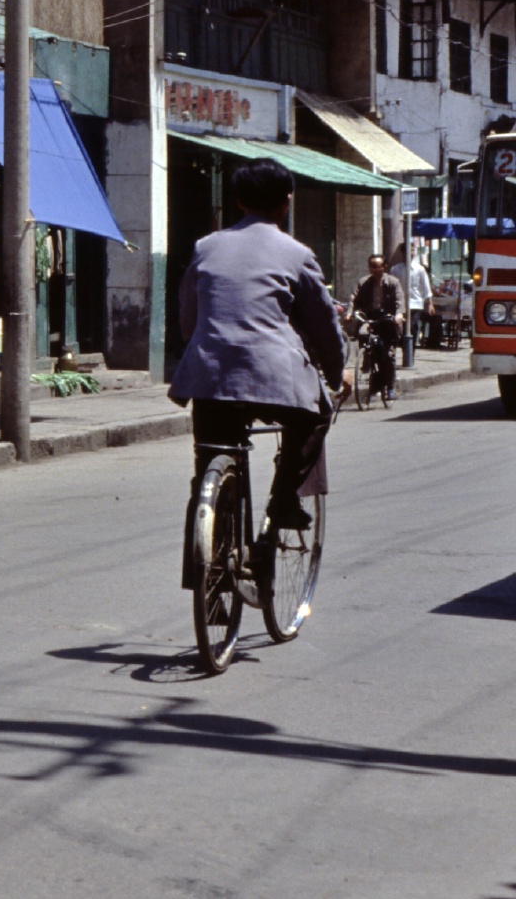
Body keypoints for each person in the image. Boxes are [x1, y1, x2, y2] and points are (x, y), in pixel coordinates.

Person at [169, 160, 347, 585]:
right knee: (317, 413)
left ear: (238, 202)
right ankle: (284, 500)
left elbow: (188, 316)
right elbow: (324, 326)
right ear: (287, 203)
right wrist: (337, 375)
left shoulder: (205, 247)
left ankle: (208, 573)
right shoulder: (297, 253)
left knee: (208, 464)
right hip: (274, 376)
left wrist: (202, 351)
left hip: (208, 376)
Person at [351, 251, 405, 396]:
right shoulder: (364, 282)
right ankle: (366, 359)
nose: (374, 269)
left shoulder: (393, 282)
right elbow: (354, 299)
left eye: (377, 266)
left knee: (388, 355)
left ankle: (390, 386)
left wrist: (399, 314)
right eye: (371, 266)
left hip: (387, 320)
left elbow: (399, 301)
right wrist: (350, 312)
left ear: (384, 267)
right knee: (363, 332)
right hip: (370, 318)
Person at [405, 247, 433, 347]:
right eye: (409, 250)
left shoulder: (419, 269)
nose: (411, 253)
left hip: (415, 304)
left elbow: (426, 287)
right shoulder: (396, 269)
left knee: (413, 327)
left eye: (413, 251)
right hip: (401, 305)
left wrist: (430, 303)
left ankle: (411, 351)